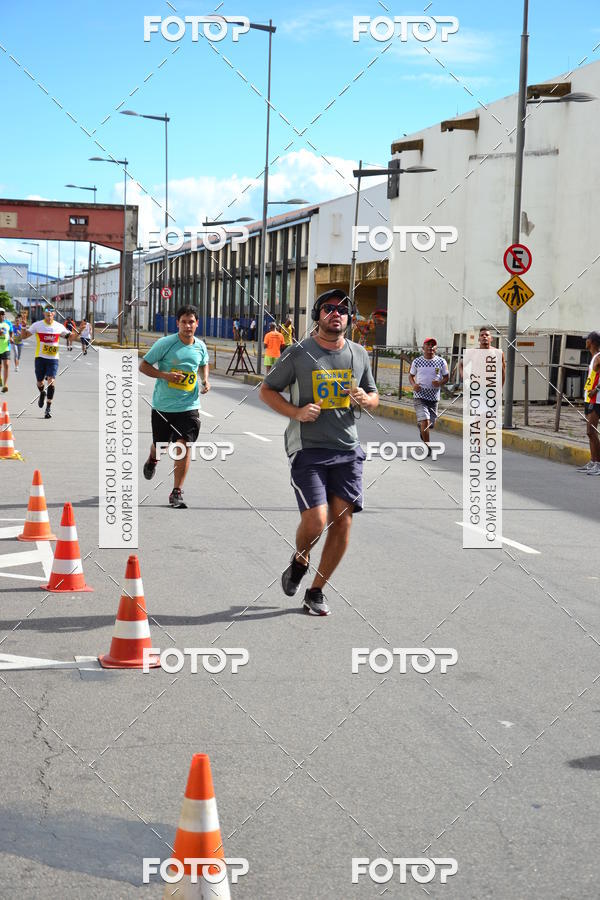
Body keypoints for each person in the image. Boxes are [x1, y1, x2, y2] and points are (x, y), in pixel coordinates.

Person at [259, 288, 379, 616]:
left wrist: (366, 400)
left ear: (350, 319)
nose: (336, 313)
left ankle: (316, 590)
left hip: (347, 449)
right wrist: (296, 413)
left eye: (343, 309)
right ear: (318, 315)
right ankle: (300, 561)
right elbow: (267, 390)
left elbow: (373, 394)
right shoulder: (299, 353)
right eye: (329, 308)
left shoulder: (359, 354)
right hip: (308, 448)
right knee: (316, 520)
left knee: (342, 523)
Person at [139, 305, 210, 508]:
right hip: (164, 405)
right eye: (184, 322)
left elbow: (204, 363)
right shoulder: (165, 344)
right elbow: (143, 366)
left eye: (191, 322)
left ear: (197, 323)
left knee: (184, 447)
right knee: (161, 445)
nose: (188, 326)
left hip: (189, 405)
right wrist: (165, 375)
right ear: (177, 323)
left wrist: (205, 380)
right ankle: (153, 460)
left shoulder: (200, 346)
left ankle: (176, 491)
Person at [21, 307, 69, 418]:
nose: (49, 314)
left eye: (51, 312)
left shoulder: (59, 326)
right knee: (40, 383)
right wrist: (23, 326)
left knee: (51, 381)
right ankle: (42, 393)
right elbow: (24, 336)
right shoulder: (37, 325)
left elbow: (70, 336)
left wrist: (79, 333)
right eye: (47, 312)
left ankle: (48, 408)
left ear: (54, 314)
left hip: (53, 359)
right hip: (40, 358)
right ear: (44, 313)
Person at [409, 338, 449, 455]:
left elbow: (446, 377)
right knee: (425, 421)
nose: (430, 347)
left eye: (433, 345)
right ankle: (427, 447)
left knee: (429, 425)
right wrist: (414, 385)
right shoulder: (417, 361)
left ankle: (421, 427)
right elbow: (411, 376)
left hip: (434, 398)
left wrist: (440, 383)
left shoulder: (441, 362)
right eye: (428, 345)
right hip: (419, 396)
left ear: (436, 349)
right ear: (423, 348)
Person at [577, 330, 600, 475]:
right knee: (590, 432)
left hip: (596, 399)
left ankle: (598, 463)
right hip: (589, 398)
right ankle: (593, 461)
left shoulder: (598, 357)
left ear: (591, 342)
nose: (585, 341)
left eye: (587, 340)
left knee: (591, 431)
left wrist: (597, 389)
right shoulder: (593, 358)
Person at [0, 309, 12, 393]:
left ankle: (5, 385)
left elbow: (11, 332)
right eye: (0, 314)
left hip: (6, 347)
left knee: (6, 365)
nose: (1, 315)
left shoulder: (8, 323)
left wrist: (11, 338)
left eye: (2, 313)